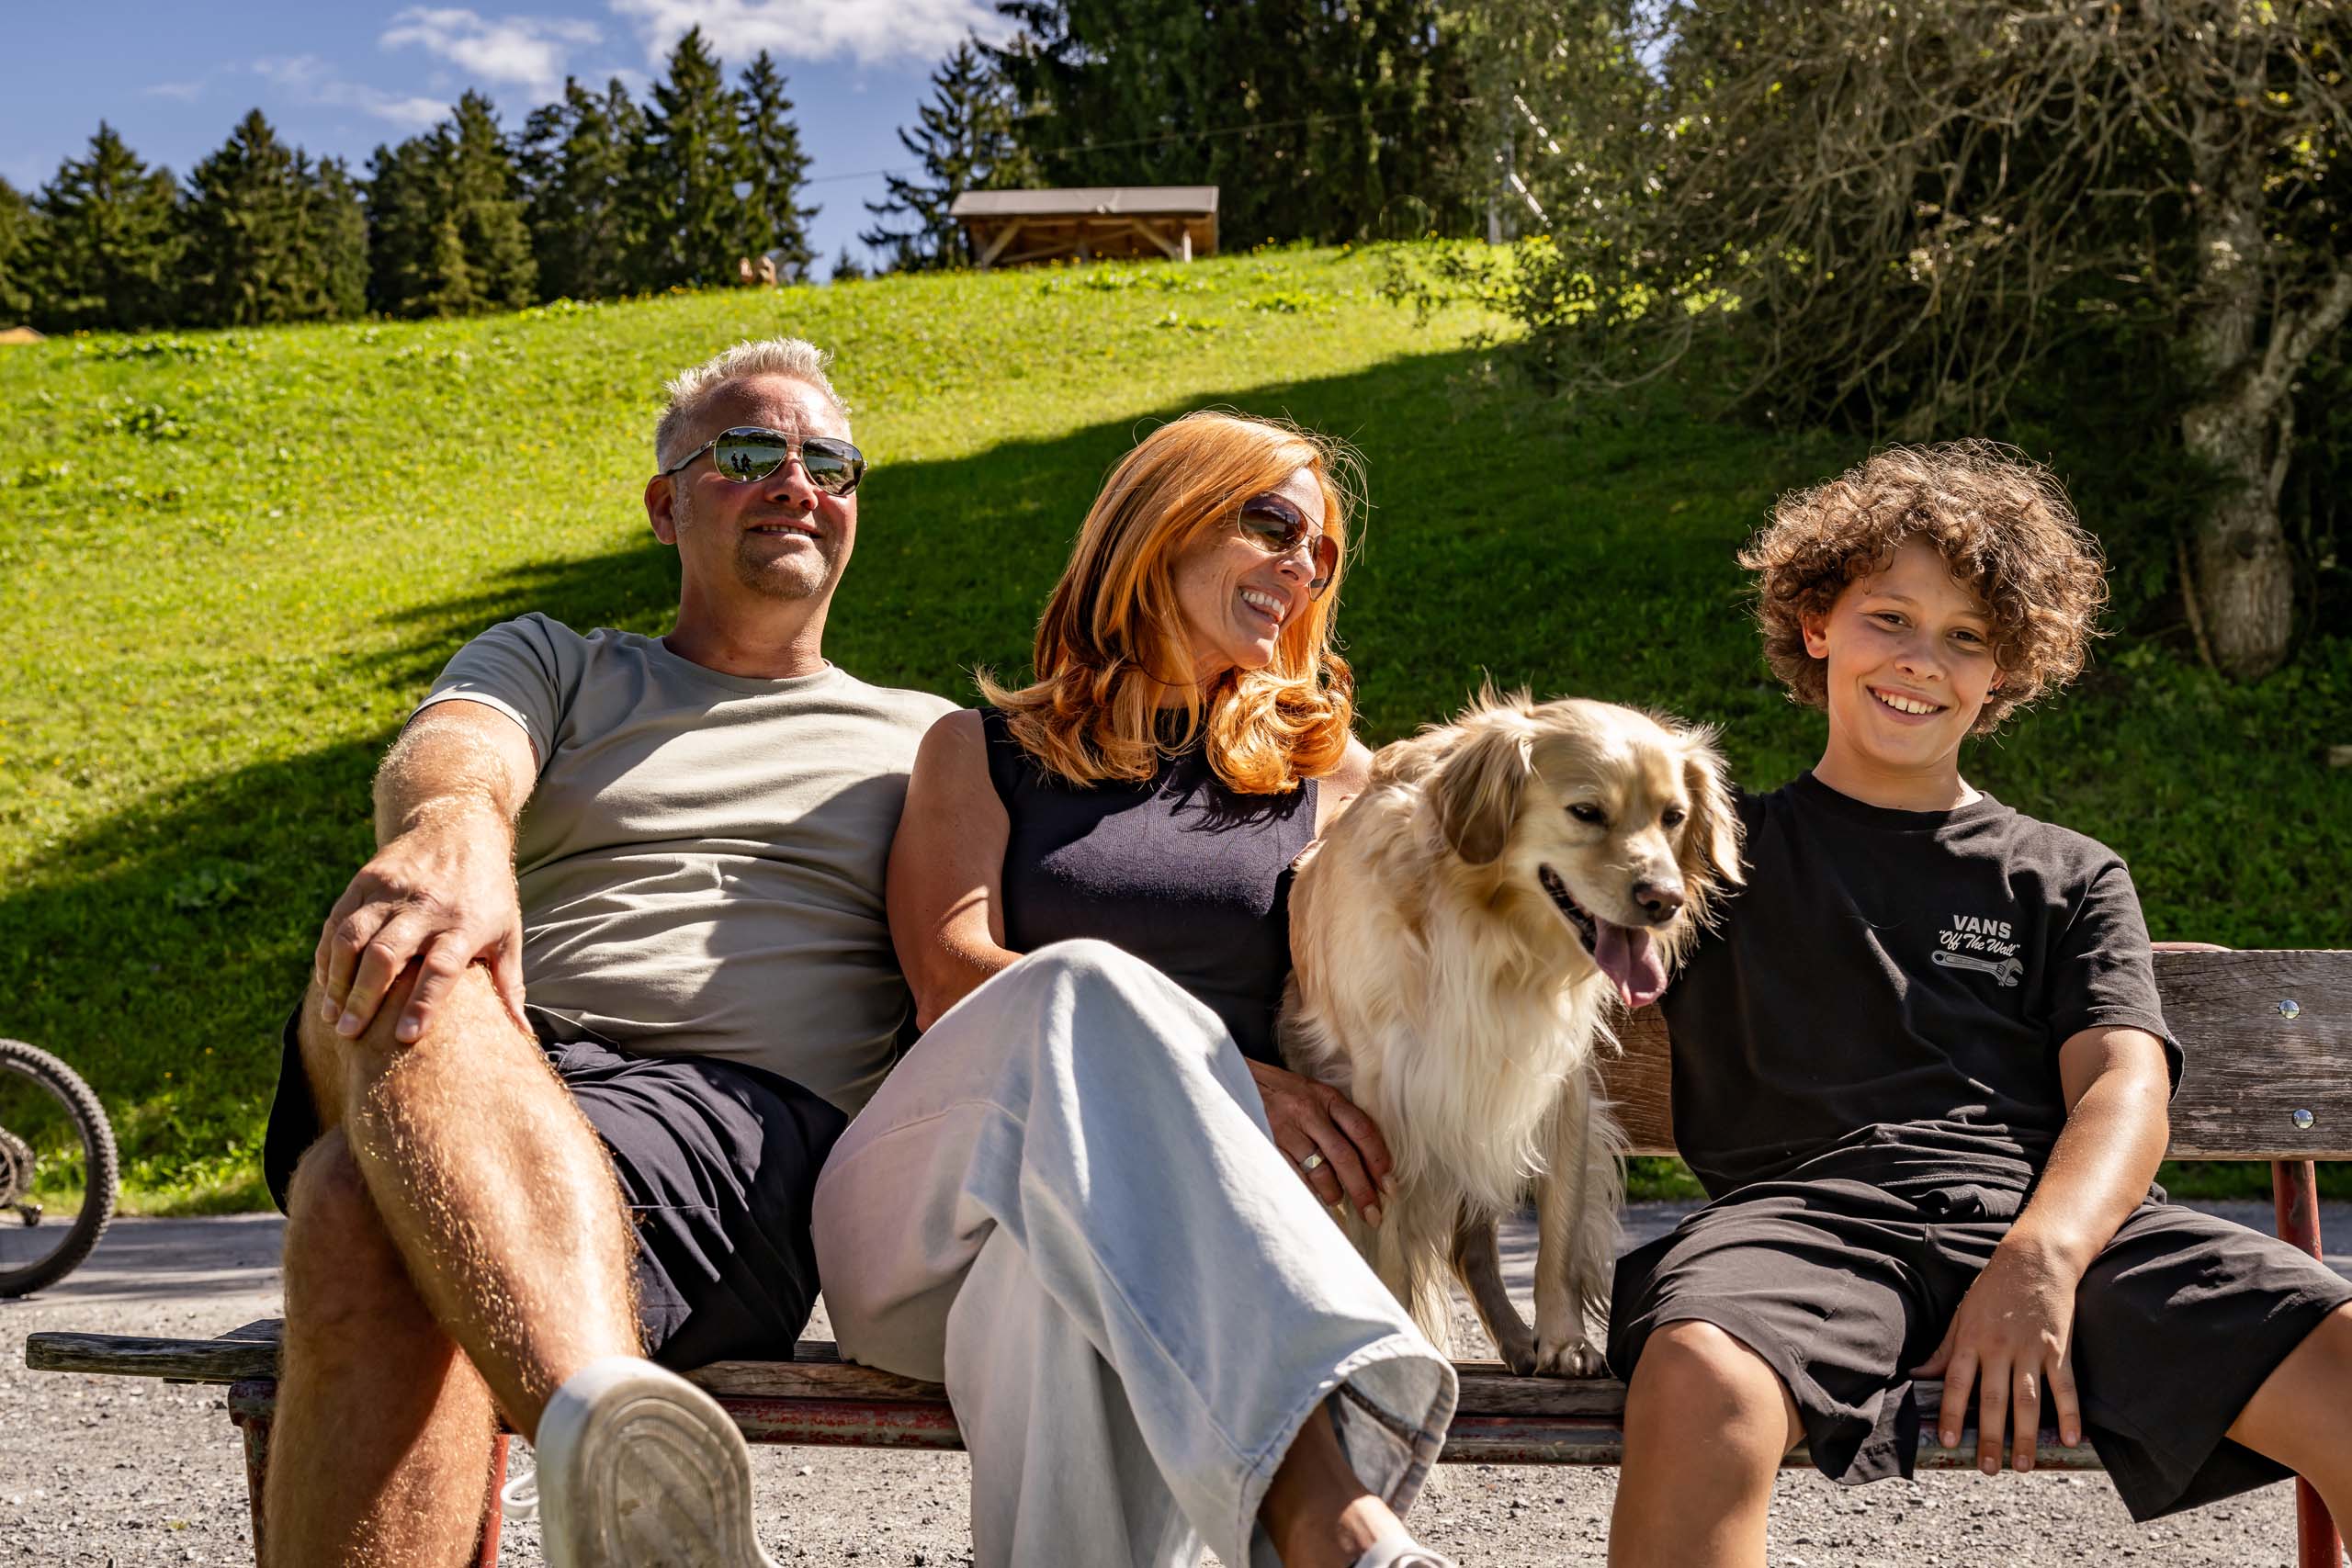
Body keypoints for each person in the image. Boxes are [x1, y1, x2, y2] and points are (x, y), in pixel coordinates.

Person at [266, 336, 955, 1568]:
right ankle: (615, 1452)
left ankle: (606, 1455)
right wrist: (458, 825)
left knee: (356, 1204)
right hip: (485, 1038)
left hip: (732, 1129)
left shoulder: (928, 739)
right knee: (418, 930)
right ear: (665, 504)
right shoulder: (564, 665)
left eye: (829, 461)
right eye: (748, 453)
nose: (797, 481)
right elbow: (458, 745)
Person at [1602, 442, 2352, 1568]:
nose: (1920, 661)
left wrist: (2039, 1261)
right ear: (1816, 624)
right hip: (1803, 1225)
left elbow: (2122, 1081)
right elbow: (1506, 901)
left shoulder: (2065, 873)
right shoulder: (1711, 853)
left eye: (1966, 638)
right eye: (1888, 619)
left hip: (2046, 1221)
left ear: (2006, 673)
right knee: (1700, 1369)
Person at [816, 412, 1460, 1568]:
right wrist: (1229, 1087)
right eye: (1271, 526)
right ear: (1164, 522)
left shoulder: (1331, 783)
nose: (1300, 568)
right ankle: (1329, 1504)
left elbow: (1446, 965)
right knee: (1081, 985)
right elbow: (949, 977)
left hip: (1149, 1257)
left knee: (1051, 1304)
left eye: (1318, 553)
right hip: (931, 1221)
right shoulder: (981, 749)